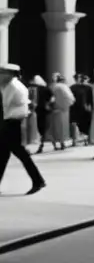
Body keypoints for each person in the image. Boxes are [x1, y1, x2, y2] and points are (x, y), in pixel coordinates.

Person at [0, 63, 45, 194]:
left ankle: (38, 181)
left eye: (2, 73)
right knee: (3, 155)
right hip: (8, 123)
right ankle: (38, 181)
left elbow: (15, 108)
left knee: (20, 153)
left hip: (12, 124)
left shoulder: (15, 88)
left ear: (9, 75)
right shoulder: (7, 85)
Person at [47, 74, 75, 150]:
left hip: (55, 108)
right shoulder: (65, 87)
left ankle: (55, 144)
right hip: (64, 109)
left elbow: (50, 98)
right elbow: (71, 98)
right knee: (63, 127)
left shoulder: (53, 86)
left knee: (53, 127)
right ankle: (62, 143)